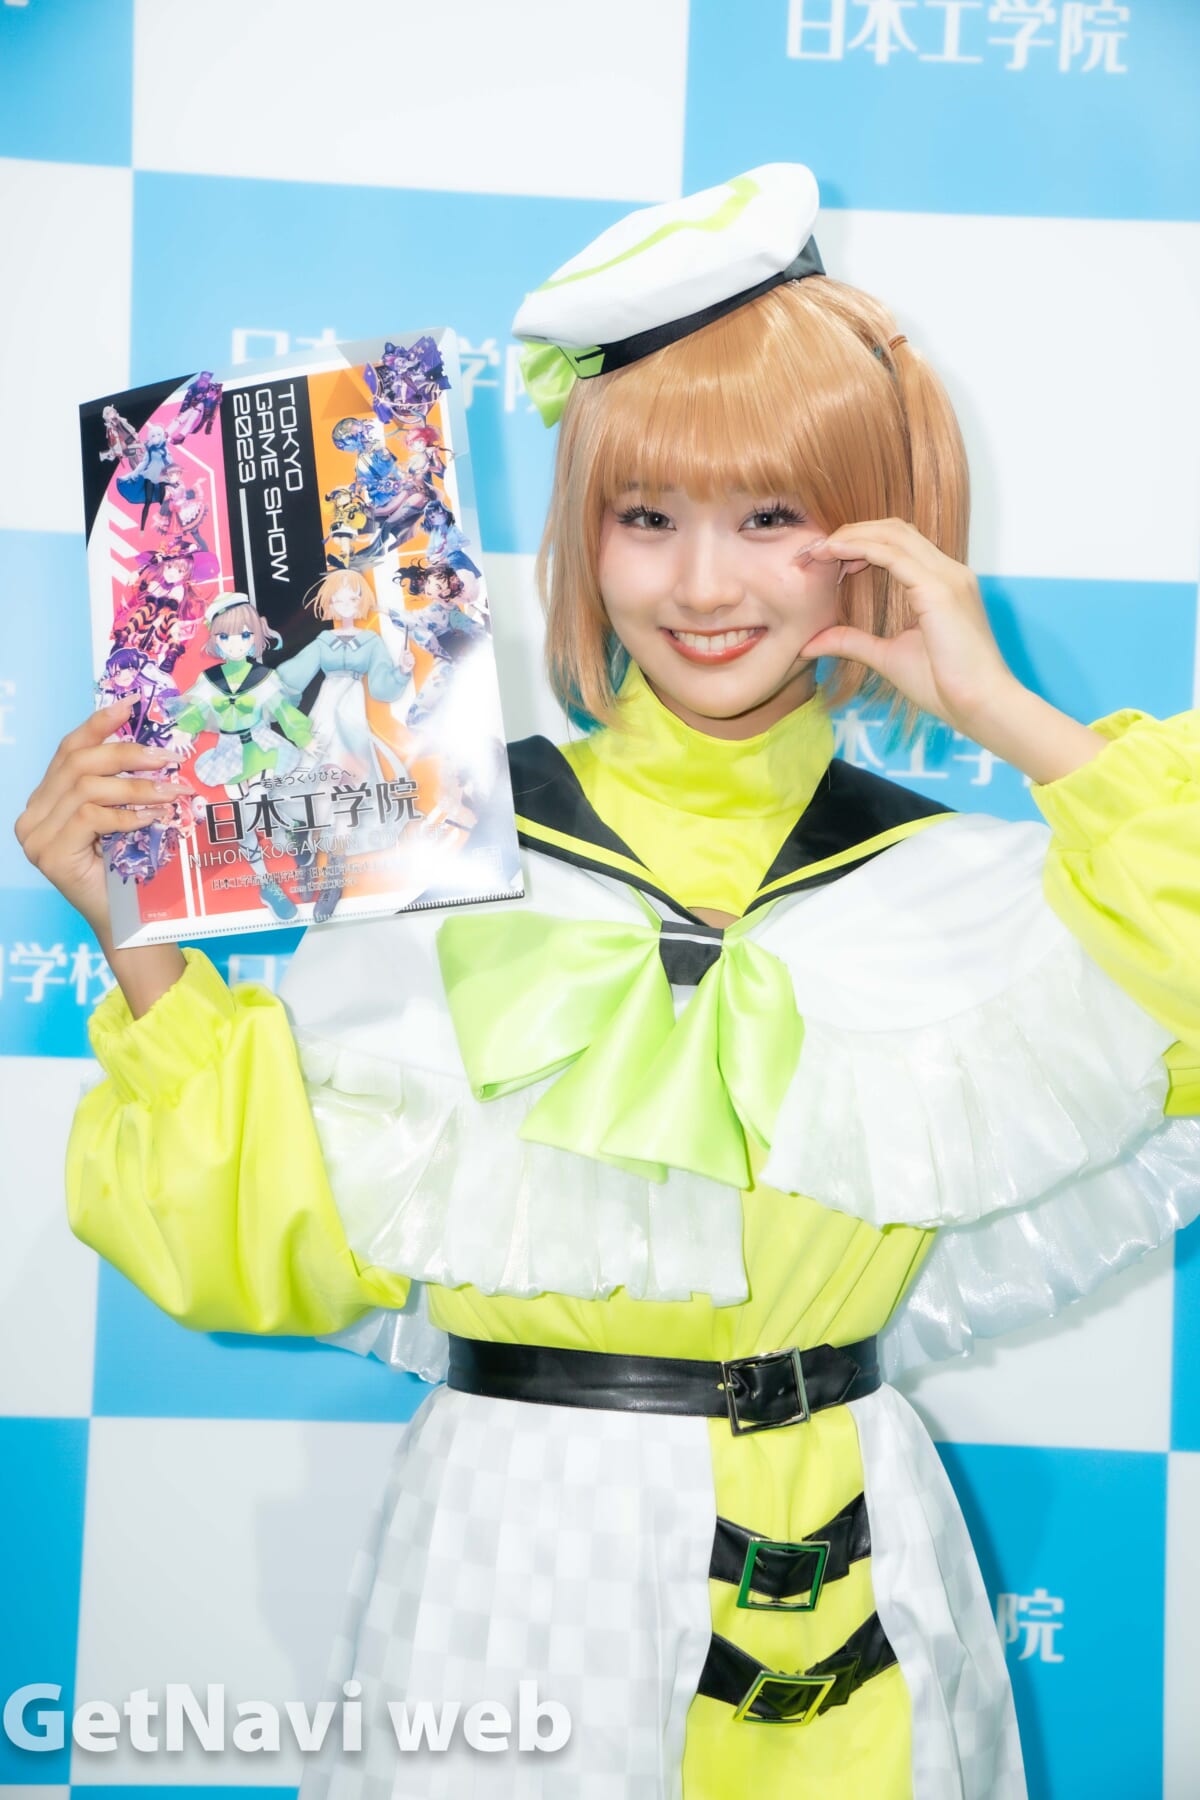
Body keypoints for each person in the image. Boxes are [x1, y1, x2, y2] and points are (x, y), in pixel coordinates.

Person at [15, 164, 1200, 1799]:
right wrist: (133, 928)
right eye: (648, 518)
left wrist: (1005, 713)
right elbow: (249, 1254)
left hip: (862, 1547)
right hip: (515, 1547)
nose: (703, 587)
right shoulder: (439, 849)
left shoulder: (963, 884)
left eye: (770, 519)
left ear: (874, 535)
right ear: (587, 535)